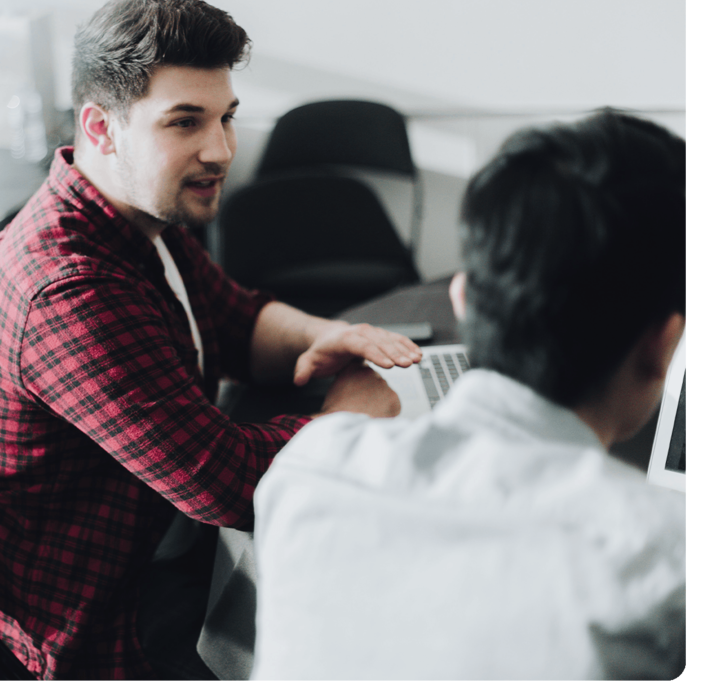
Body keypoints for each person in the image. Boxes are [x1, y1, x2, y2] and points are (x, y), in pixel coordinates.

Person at [0, 0, 421, 681]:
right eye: (184, 123)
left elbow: (237, 322)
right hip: (103, 631)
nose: (221, 149)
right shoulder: (68, 289)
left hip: (155, 554)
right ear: (101, 127)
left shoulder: (134, 220)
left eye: (226, 118)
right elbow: (228, 487)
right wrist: (352, 416)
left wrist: (334, 336)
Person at [251, 109, 688, 681]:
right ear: (665, 342)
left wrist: (339, 419)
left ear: (462, 300)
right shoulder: (657, 552)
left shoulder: (309, 467)